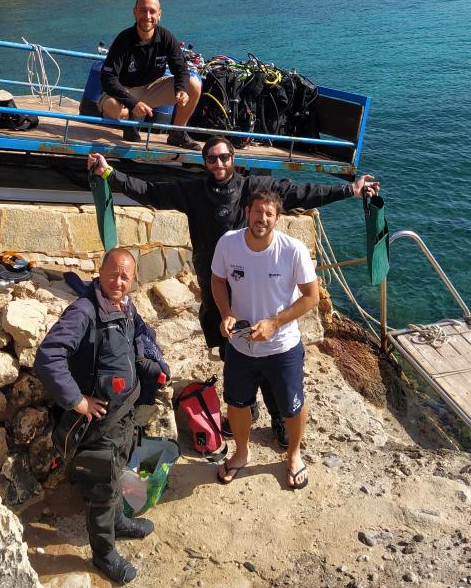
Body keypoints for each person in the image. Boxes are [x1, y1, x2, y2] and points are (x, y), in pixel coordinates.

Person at [86, 136, 379, 447]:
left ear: (233, 158)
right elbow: (151, 191)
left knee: (268, 352)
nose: (218, 164)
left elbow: (303, 192)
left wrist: (350, 189)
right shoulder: (194, 190)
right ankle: (246, 406)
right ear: (205, 162)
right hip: (216, 283)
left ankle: (279, 416)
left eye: (224, 157)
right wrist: (109, 174)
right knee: (231, 348)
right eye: (211, 159)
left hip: (254, 287)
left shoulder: (254, 189)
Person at [34, 248, 159, 585]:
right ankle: (104, 555)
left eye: (126, 277)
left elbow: (139, 338)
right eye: (113, 274)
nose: (118, 282)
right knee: (102, 486)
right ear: (100, 271)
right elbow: (48, 357)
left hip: (123, 416)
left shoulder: (125, 307)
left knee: (117, 470)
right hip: (98, 422)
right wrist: (78, 401)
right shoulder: (85, 312)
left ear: (133, 280)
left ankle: (118, 521)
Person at [211, 188, 318, 488]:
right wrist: (226, 312)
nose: (262, 218)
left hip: (282, 346)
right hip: (240, 345)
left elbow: (312, 296)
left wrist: (274, 323)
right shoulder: (228, 244)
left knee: (292, 405)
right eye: (257, 211)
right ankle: (241, 453)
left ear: (278, 219)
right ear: (247, 212)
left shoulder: (292, 250)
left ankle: (293, 455)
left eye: (269, 213)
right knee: (236, 402)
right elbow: (217, 280)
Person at [99, 0, 202, 150]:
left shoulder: (166, 38)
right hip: (124, 90)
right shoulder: (124, 40)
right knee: (112, 106)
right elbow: (108, 78)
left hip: (151, 88)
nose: (147, 16)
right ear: (135, 12)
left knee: (194, 84)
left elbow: (181, 69)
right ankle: (128, 121)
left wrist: (181, 90)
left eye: (152, 11)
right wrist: (132, 103)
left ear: (159, 15)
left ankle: (177, 133)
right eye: (142, 10)